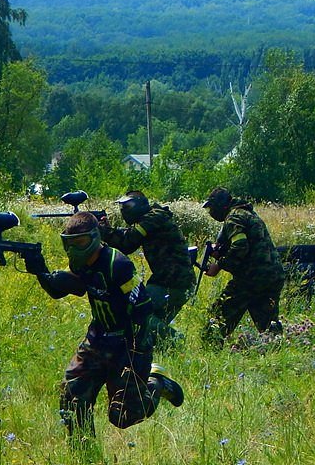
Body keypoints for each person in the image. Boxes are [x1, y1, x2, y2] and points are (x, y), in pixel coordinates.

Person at [35, 211, 184, 438]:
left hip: (128, 343)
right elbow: (62, 290)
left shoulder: (118, 265)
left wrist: (137, 356)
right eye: (70, 243)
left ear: (95, 238)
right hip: (98, 339)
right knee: (72, 397)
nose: (75, 248)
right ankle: (84, 455)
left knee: (123, 416)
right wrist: (39, 269)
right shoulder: (82, 263)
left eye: (81, 242)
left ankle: (157, 384)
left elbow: (142, 309)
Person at [99, 190, 196, 346]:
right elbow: (127, 237)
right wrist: (108, 231)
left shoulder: (153, 217)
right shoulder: (153, 217)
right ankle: (162, 348)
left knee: (135, 310)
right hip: (169, 281)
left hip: (173, 283)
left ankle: (175, 341)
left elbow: (128, 243)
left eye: (127, 207)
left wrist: (104, 232)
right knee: (143, 328)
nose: (124, 211)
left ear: (139, 206)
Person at [200, 186, 286, 345]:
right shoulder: (247, 213)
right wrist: (223, 252)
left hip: (251, 278)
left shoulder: (234, 217)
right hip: (272, 276)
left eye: (212, 208)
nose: (211, 212)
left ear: (221, 206)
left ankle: (209, 351)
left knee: (216, 320)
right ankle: (277, 352)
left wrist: (218, 265)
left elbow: (240, 246)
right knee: (269, 327)